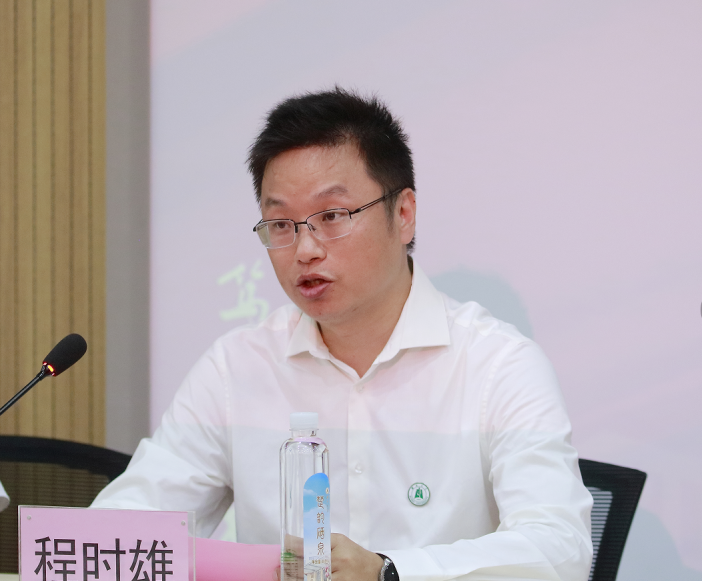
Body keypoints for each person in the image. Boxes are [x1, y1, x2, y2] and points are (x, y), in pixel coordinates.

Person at [93, 87, 593, 580]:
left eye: (331, 217)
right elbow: (121, 534)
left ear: (403, 214)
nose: (305, 249)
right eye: (280, 224)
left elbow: (558, 550)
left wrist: (390, 572)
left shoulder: (498, 365)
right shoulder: (236, 368)